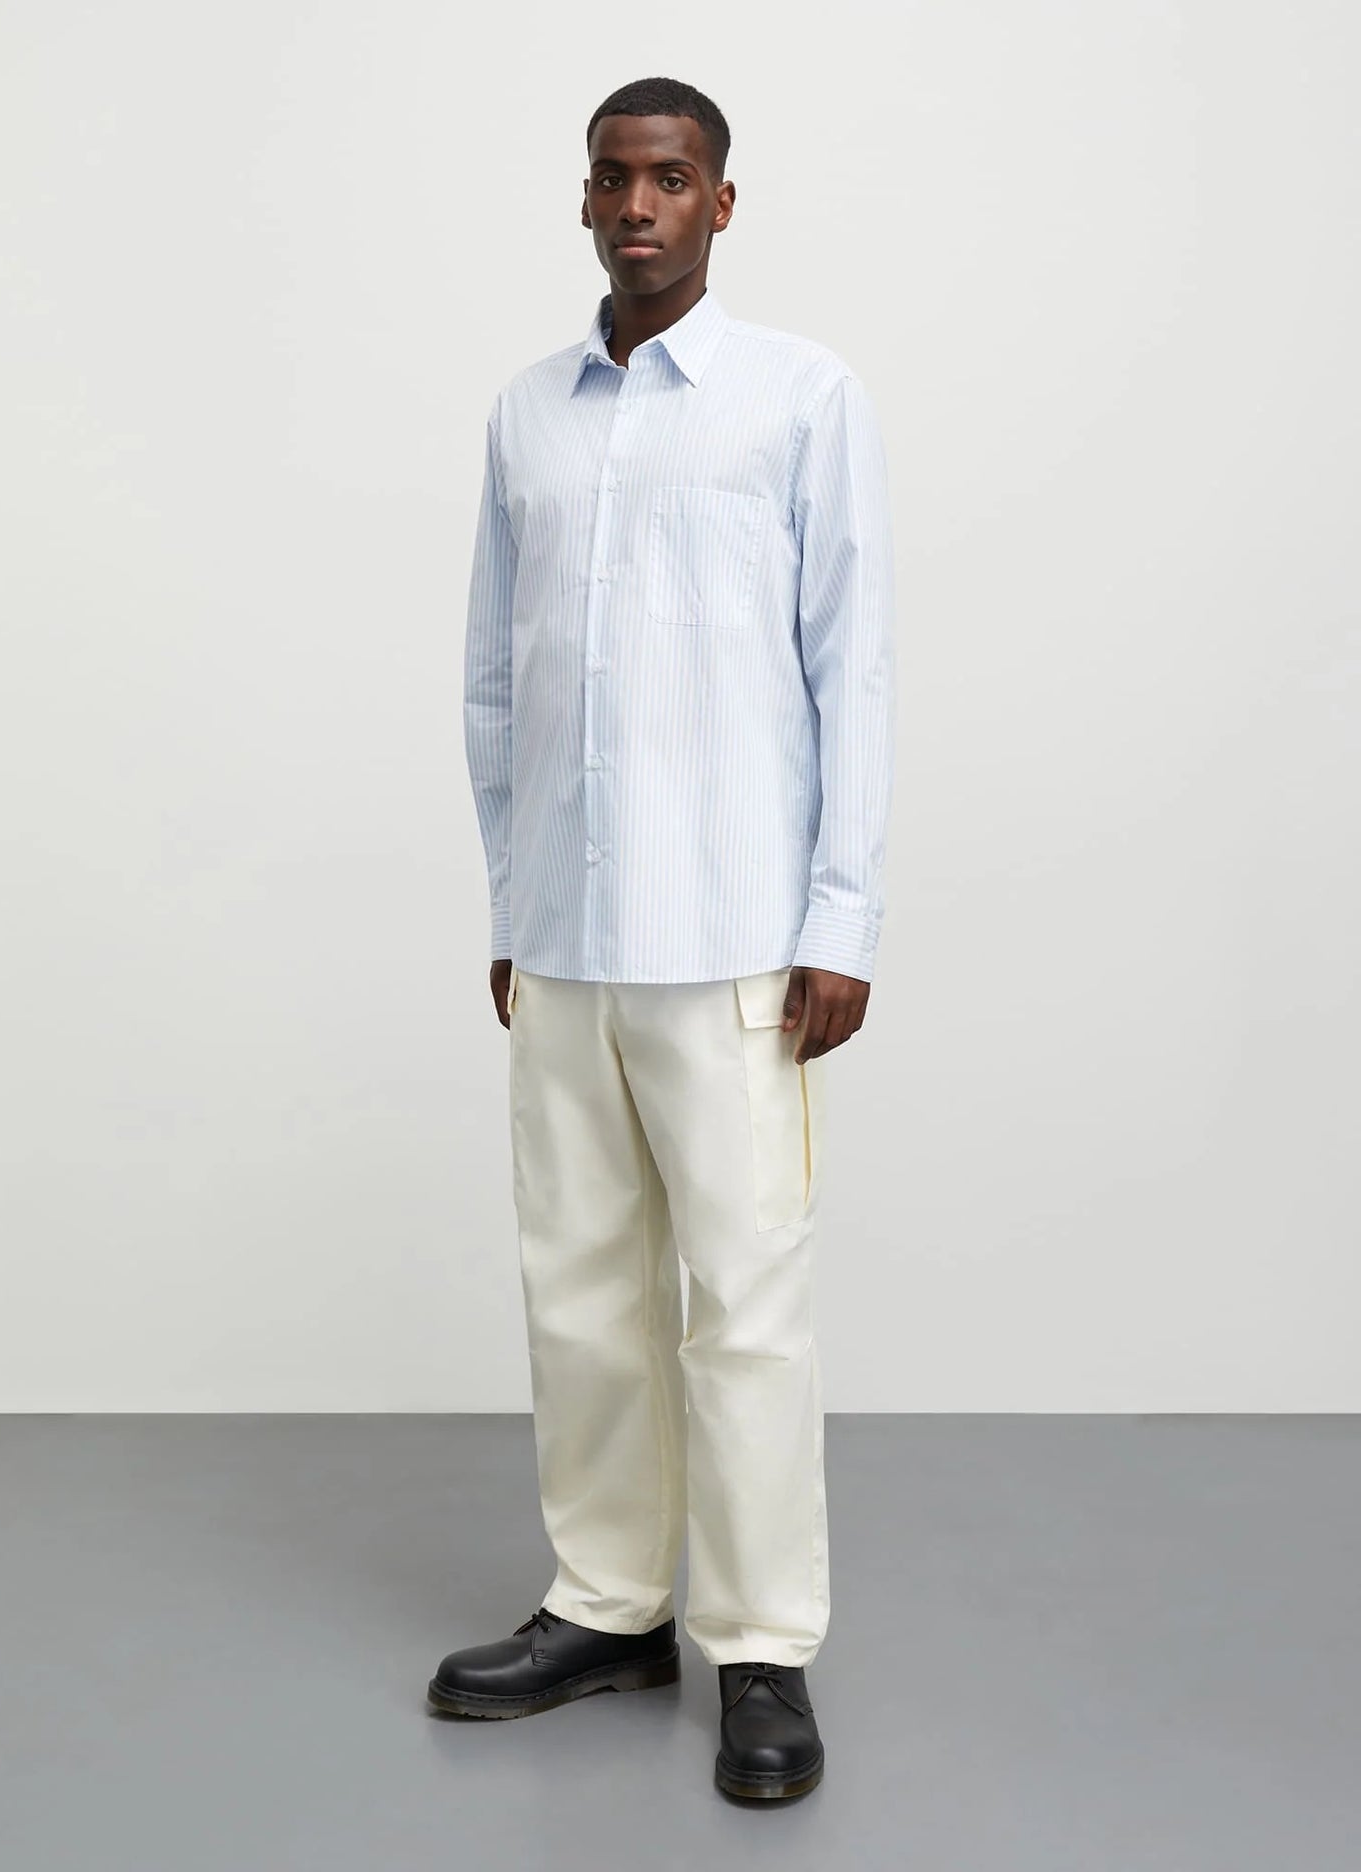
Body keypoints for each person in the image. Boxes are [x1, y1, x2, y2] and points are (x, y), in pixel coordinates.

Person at [431, 74, 896, 1803]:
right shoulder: (525, 415)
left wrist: (840, 917)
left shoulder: (801, 398)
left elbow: (854, 665)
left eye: (672, 178)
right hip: (565, 938)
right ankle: (608, 1604)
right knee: (582, 1291)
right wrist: (510, 903)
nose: (639, 205)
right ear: (584, 200)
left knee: (747, 1305)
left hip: (736, 941)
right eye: (614, 178)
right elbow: (497, 680)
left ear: (720, 201)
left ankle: (762, 1646)